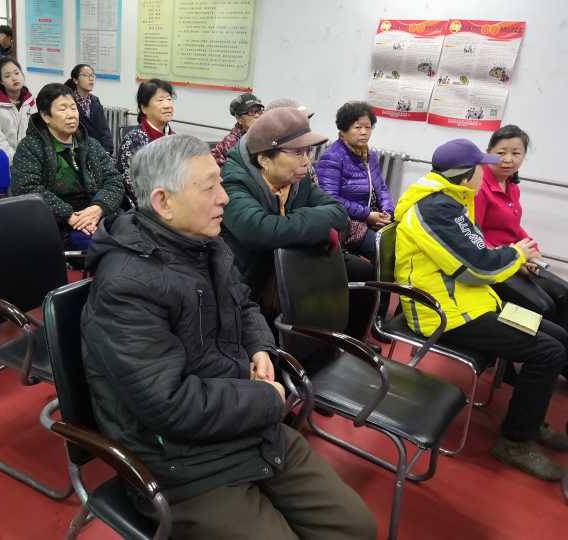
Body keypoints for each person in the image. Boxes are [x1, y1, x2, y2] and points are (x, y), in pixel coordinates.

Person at [80, 134, 377, 540]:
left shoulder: (207, 245)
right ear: (163, 202)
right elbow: (170, 405)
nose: (224, 198)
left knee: (357, 529)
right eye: (210, 188)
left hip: (243, 423)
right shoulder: (126, 288)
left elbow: (245, 304)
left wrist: (260, 348)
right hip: (180, 463)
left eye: (221, 183)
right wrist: (267, 398)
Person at [393, 138, 568, 481]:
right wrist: (517, 254)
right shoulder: (436, 209)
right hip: (443, 314)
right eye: (481, 167)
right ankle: (515, 442)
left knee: (558, 335)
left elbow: (477, 256)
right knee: (548, 351)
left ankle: (530, 419)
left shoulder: (452, 200)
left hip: (470, 303)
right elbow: (479, 267)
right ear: (465, 174)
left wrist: (512, 257)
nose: (487, 171)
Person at [220, 107, 376, 346]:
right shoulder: (234, 183)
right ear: (264, 159)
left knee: (362, 272)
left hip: (293, 257)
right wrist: (313, 222)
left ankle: (347, 345)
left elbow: (338, 212)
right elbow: (260, 231)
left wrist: (292, 223)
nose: (307, 161)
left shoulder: (295, 179)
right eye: (296, 152)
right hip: (250, 273)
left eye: (307, 151)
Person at [475, 125, 568, 332]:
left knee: (564, 293)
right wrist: (514, 258)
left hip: (516, 258)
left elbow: (514, 227)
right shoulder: (479, 186)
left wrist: (532, 251)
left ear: (524, 156)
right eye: (501, 153)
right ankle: (543, 347)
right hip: (493, 263)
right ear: (488, 153)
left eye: (516, 153)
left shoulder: (512, 186)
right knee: (543, 306)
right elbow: (473, 235)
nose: (508, 159)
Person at [11, 83, 124, 249]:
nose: (71, 115)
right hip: (55, 219)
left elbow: (114, 180)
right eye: (63, 109)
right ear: (46, 116)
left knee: (133, 231)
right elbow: (27, 189)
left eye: (73, 108)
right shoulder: (31, 147)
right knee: (104, 244)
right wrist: (70, 216)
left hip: (94, 211)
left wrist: (98, 207)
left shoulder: (90, 144)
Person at [315, 101, 394, 261]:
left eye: (368, 127)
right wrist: (367, 215)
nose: (364, 132)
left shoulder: (370, 156)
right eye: (357, 127)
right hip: (348, 224)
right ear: (343, 131)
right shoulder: (332, 156)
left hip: (372, 218)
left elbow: (381, 188)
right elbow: (329, 198)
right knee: (386, 252)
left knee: (403, 242)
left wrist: (387, 211)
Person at [116, 78, 175, 205]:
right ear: (144, 108)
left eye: (169, 99)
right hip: (146, 206)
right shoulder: (134, 140)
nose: (168, 105)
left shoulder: (174, 138)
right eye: (160, 100)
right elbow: (132, 185)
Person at [0, 57, 36, 164]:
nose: (14, 78)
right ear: (1, 81)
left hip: (29, 161)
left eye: (17, 73)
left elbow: (36, 135)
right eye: (7, 76)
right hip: (1, 161)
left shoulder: (31, 101)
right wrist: (17, 161)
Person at [65, 63, 113, 154]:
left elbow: (104, 130)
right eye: (85, 75)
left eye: (92, 75)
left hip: (98, 151)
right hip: (79, 151)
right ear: (75, 80)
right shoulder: (69, 102)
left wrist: (107, 150)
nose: (91, 79)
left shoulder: (95, 101)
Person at [211, 92, 263, 167]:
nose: (257, 115)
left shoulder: (266, 134)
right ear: (239, 119)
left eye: (259, 111)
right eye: (251, 112)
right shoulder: (232, 142)